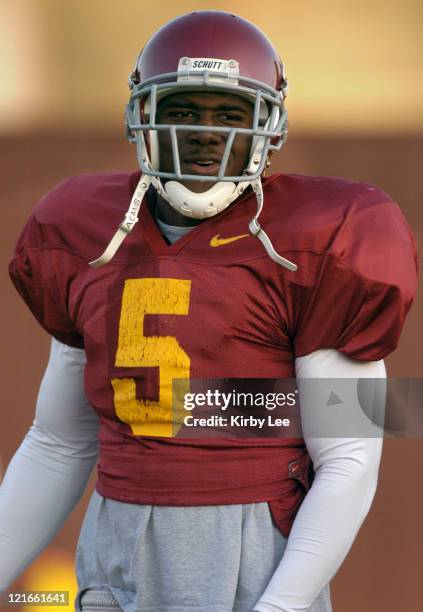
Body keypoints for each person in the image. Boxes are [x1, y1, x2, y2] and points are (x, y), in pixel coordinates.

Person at [0, 10, 418, 612]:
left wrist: (280, 606)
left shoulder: (321, 237)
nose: (204, 133)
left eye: (229, 114)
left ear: (267, 125)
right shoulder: (84, 229)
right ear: (142, 116)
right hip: (114, 553)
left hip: (252, 556)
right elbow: (59, 442)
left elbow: (350, 458)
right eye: (182, 110)